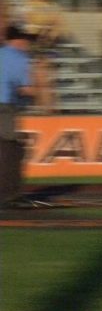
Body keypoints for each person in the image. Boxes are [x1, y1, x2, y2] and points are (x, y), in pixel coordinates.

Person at [0, 24, 39, 208]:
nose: (27, 43)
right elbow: (25, 89)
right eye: (25, 39)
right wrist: (38, 93)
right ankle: (9, 195)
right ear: (18, 40)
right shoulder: (19, 57)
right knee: (12, 149)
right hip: (4, 106)